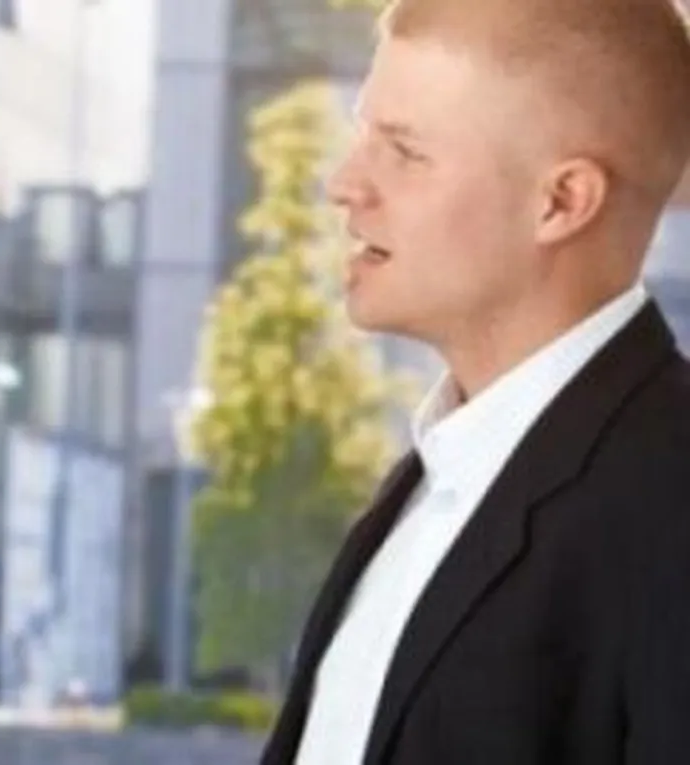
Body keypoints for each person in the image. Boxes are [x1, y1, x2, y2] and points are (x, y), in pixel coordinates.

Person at [261, 0, 690, 763]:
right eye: (363, 136)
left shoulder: (670, 503)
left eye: (404, 151)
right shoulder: (428, 486)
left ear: (561, 201)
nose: (344, 184)